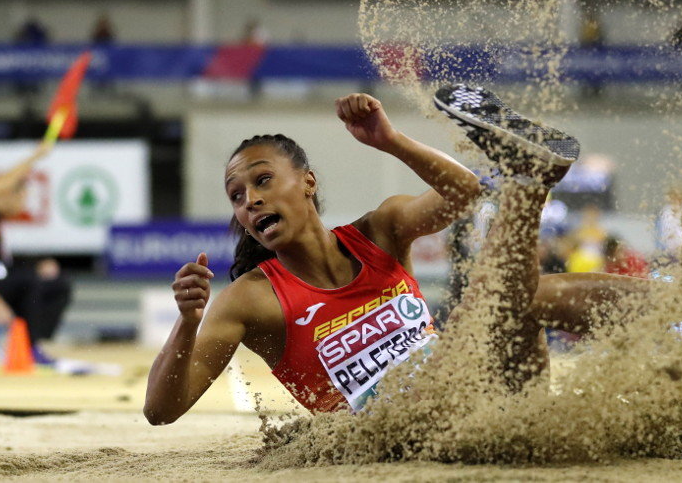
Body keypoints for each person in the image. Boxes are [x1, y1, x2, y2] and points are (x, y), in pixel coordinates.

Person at [144, 85, 648, 423]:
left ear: (308, 183)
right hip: (398, 434)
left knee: (533, 295)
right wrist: (188, 321)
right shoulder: (250, 299)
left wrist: (390, 140)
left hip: (485, 398)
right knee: (502, 300)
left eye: (262, 180)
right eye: (236, 195)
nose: (250, 200)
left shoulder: (380, 231)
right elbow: (160, 411)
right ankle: (528, 180)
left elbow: (463, 193)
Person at [0, 142, 73, 364]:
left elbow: (4, 183)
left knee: (57, 283)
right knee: (29, 283)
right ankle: (31, 347)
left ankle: (36, 343)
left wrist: (35, 156)